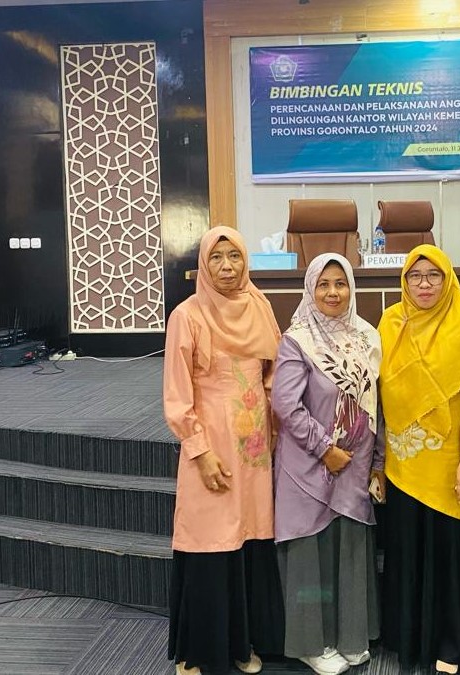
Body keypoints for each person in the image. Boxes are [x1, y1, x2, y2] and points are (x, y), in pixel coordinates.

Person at [163, 226, 285, 675]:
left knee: (247, 543)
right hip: (210, 448)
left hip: (253, 450)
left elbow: (272, 376)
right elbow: (177, 397)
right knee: (209, 546)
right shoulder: (188, 316)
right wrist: (199, 450)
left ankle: (241, 643)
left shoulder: (260, 306)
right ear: (203, 263)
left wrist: (275, 434)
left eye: (235, 256)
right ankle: (199, 651)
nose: (227, 267)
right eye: (217, 257)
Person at [378, 244, 460, 673]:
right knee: (409, 552)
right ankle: (410, 639)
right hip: (405, 462)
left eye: (434, 275)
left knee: (450, 554)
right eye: (415, 276)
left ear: (447, 279)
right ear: (404, 281)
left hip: (452, 462)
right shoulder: (391, 322)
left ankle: (451, 643)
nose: (425, 284)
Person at [271, 253, 385, 675]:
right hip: (309, 467)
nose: (333, 292)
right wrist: (325, 449)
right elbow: (285, 404)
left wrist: (378, 462)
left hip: (354, 467)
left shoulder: (368, 336)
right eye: (324, 284)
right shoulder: (297, 339)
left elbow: (377, 404)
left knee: (348, 551)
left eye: (341, 283)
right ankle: (312, 643)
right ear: (310, 289)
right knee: (311, 556)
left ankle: (350, 636)